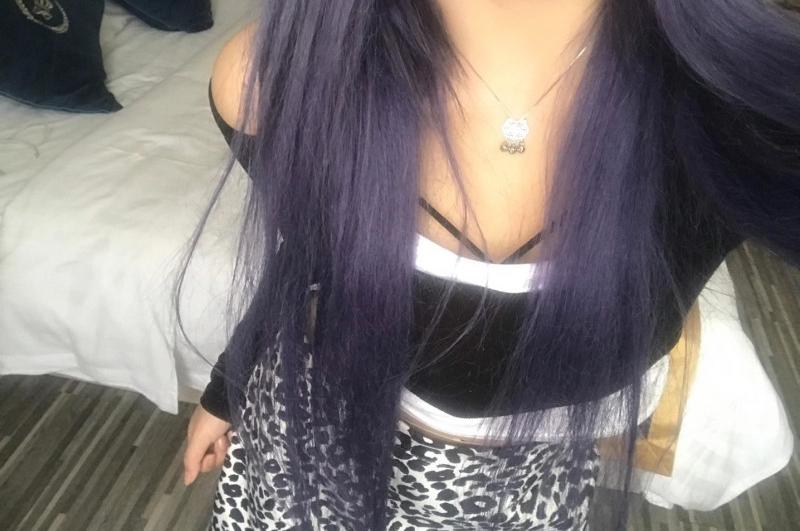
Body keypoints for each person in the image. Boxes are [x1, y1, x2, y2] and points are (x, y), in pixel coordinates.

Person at [179, 1, 800, 529]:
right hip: (304, 451)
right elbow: (314, 258)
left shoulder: (754, 118)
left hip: (521, 489)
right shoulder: (272, 77)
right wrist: (229, 389)